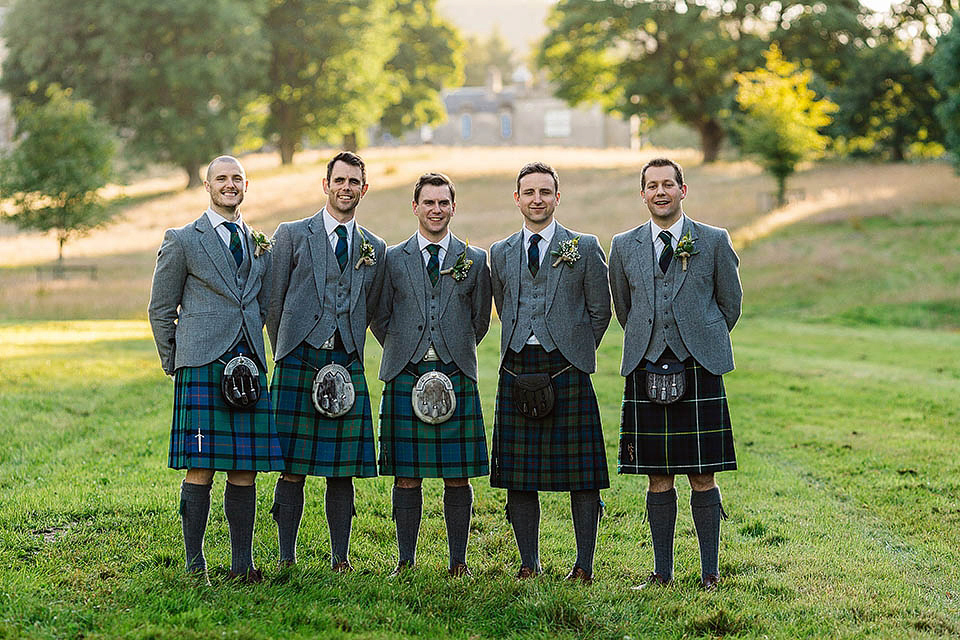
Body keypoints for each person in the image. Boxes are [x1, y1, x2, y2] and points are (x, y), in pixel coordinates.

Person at [148, 155, 284, 584]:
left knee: (244, 467)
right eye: (221, 179)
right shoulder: (184, 239)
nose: (230, 184)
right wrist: (178, 363)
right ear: (207, 187)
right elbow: (160, 309)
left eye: (237, 179)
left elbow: (263, 303)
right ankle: (195, 564)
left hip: (248, 366)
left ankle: (242, 564)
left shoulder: (259, 242)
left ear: (247, 186)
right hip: (203, 366)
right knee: (201, 466)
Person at [608, 157, 742, 591]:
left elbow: (730, 304)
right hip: (647, 364)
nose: (660, 191)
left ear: (683, 190)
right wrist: (652, 339)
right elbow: (624, 308)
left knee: (703, 473)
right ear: (642, 193)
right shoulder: (623, 245)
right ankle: (662, 573)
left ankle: (710, 574)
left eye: (669, 184)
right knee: (657, 474)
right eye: (652, 185)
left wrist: (701, 339)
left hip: (699, 366)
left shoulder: (714, 240)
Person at [489, 162, 611, 583]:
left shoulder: (585, 245)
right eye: (529, 192)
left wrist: (575, 352)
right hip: (517, 367)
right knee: (520, 476)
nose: (537, 199)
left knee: (581, 474)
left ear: (557, 198)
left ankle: (583, 565)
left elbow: (601, 310)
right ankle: (529, 562)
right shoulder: (500, 252)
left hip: (567, 370)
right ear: (517, 197)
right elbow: (504, 305)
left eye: (545, 192)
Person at [265, 151, 386, 572]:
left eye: (354, 182)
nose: (346, 188)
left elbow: (372, 306)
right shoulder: (293, 234)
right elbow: (273, 300)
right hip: (299, 358)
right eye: (340, 180)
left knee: (342, 470)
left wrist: (349, 343)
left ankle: (341, 558)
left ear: (364, 189)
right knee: (293, 466)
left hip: (346, 360)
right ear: (326, 184)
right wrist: (289, 346)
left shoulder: (375, 247)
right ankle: (286, 556)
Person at [370, 172, 492, 577]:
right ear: (415, 207)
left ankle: (459, 563)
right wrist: (406, 349)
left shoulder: (473, 259)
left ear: (453, 207)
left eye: (444, 203)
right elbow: (380, 315)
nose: (436, 210)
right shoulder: (392, 258)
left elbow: (479, 320)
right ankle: (405, 561)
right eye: (429, 203)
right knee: (407, 476)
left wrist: (452, 350)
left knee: (458, 476)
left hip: (456, 371)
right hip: (406, 372)